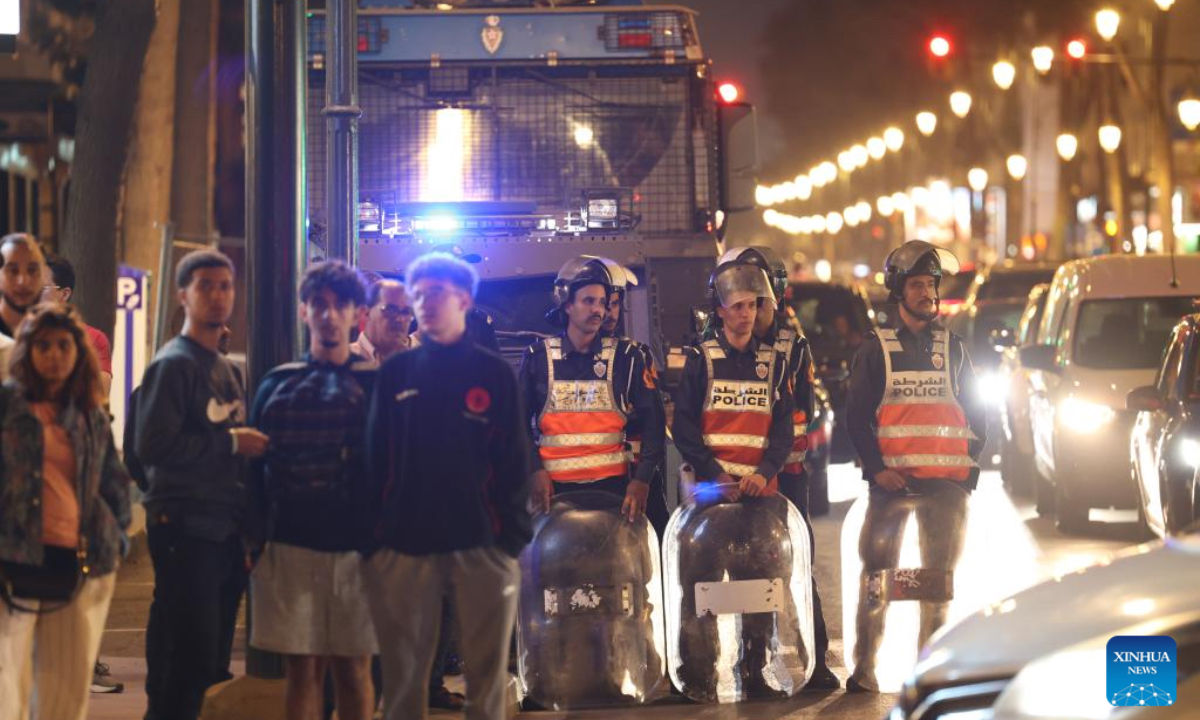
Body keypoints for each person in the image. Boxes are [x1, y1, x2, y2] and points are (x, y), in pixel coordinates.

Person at [364, 252, 531, 720]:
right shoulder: (395, 373)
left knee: (486, 685)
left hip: (482, 547)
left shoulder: (493, 374)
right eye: (417, 296)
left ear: (464, 298)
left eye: (435, 293)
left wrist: (508, 543)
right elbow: (375, 461)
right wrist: (377, 544)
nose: (424, 304)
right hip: (405, 550)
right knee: (402, 685)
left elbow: (514, 462)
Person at [844, 240, 987, 693]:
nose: (927, 293)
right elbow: (857, 417)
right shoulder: (876, 350)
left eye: (931, 284)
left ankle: (929, 674)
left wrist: (968, 470)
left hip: (947, 487)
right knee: (877, 580)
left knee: (936, 585)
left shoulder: (955, 346)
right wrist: (876, 469)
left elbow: (979, 410)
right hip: (892, 486)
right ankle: (864, 671)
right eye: (918, 285)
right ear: (898, 292)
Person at [135, 249, 270, 720]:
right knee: (186, 661)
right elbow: (153, 446)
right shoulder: (173, 366)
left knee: (207, 660)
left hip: (225, 531)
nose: (216, 296)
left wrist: (248, 532)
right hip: (184, 526)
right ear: (183, 296)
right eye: (205, 286)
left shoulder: (228, 370)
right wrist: (230, 444)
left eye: (225, 287)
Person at [248, 261, 376, 720]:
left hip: (359, 549)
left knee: (354, 670)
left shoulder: (375, 384)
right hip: (289, 543)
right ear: (304, 311)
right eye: (318, 304)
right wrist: (254, 538)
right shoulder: (277, 383)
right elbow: (254, 469)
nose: (328, 314)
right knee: (301, 671)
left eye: (339, 304)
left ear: (356, 315)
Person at [714, 246, 839, 690]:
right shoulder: (716, 341)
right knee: (738, 571)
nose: (752, 308)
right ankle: (745, 664)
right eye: (744, 298)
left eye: (760, 297)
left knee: (793, 568)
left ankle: (815, 661)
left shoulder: (792, 347)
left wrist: (771, 463)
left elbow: (796, 415)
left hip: (784, 480)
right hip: (731, 483)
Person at [669, 260, 795, 699]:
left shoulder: (773, 362)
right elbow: (683, 426)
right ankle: (699, 675)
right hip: (710, 498)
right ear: (720, 311)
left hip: (758, 497)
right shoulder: (701, 360)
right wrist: (713, 471)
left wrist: (764, 472)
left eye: (753, 304)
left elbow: (783, 429)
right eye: (737, 305)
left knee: (760, 589)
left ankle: (754, 670)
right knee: (700, 589)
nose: (746, 313)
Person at [0, 303, 132, 719]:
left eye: (63, 345)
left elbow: (113, 483)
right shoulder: (7, 407)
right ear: (27, 351)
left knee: (66, 691)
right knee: (8, 688)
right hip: (12, 563)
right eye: (43, 346)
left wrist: (116, 535)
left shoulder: (89, 412)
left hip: (79, 562)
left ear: (78, 353)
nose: (55, 354)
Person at [346, 276, 463, 713]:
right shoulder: (350, 362)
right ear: (365, 315)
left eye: (403, 311)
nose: (398, 319)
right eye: (389, 311)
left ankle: (429, 683)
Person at [519, 257, 665, 522]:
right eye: (589, 301)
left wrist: (643, 479)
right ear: (566, 304)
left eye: (602, 302)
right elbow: (515, 423)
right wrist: (534, 470)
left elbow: (655, 424)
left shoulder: (627, 357)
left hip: (613, 494)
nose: (599, 310)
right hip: (553, 495)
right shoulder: (537, 358)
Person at [42, 255, 114, 402]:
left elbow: (100, 394)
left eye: (43, 288)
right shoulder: (20, 333)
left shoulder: (94, 339)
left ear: (65, 293)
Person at [351, 279, 416, 364]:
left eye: (406, 312)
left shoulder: (420, 363)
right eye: (391, 310)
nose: (400, 319)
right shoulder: (343, 360)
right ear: (365, 313)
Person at [0, 233, 48, 339]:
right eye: (13, 271)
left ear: (45, 275)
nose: (23, 282)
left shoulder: (57, 333)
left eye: (32, 270)